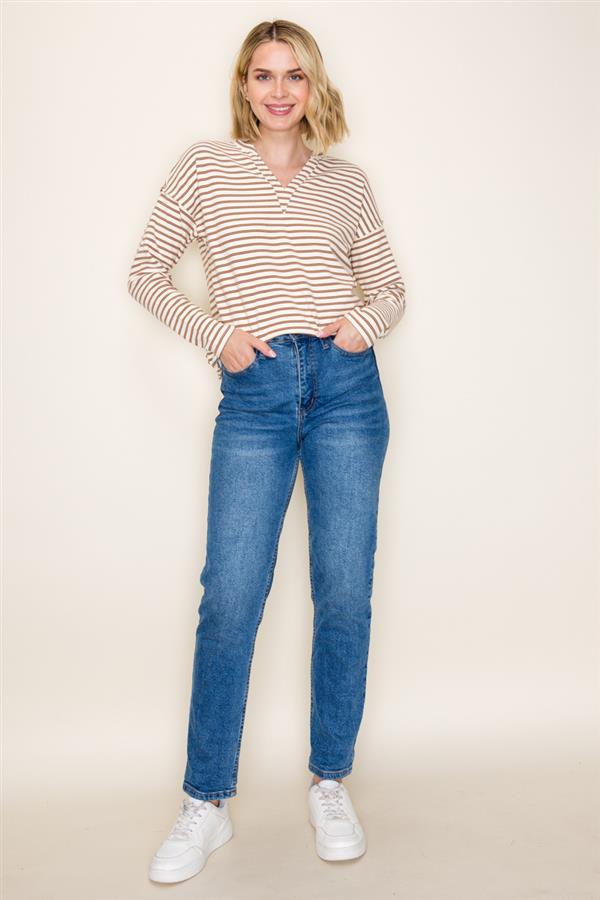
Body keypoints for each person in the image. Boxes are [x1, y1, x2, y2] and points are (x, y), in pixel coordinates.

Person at [127, 17, 407, 885]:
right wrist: (220, 337)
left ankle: (330, 781)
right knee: (232, 595)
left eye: (293, 75)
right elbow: (145, 272)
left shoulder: (346, 182)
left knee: (345, 592)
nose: (278, 91)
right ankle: (206, 802)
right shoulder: (206, 167)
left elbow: (391, 287)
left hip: (347, 391)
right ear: (243, 87)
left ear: (313, 85)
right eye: (262, 75)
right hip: (255, 391)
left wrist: (359, 326)